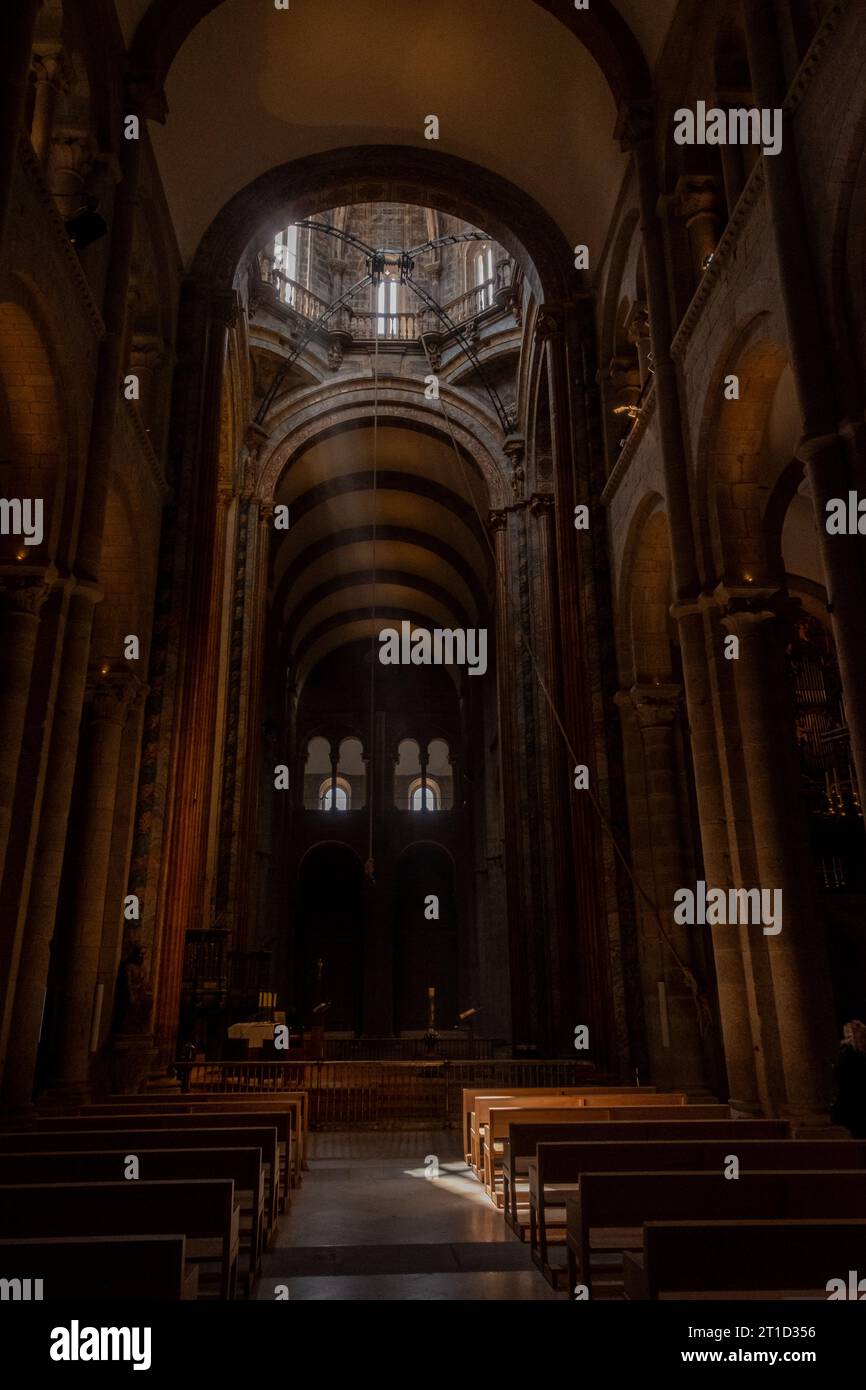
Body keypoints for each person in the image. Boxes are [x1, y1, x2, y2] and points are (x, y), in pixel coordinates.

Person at [831, 1019, 866, 1137]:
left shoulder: (846, 1053)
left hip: (852, 1101)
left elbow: (841, 1078)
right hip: (855, 1100)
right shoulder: (850, 1053)